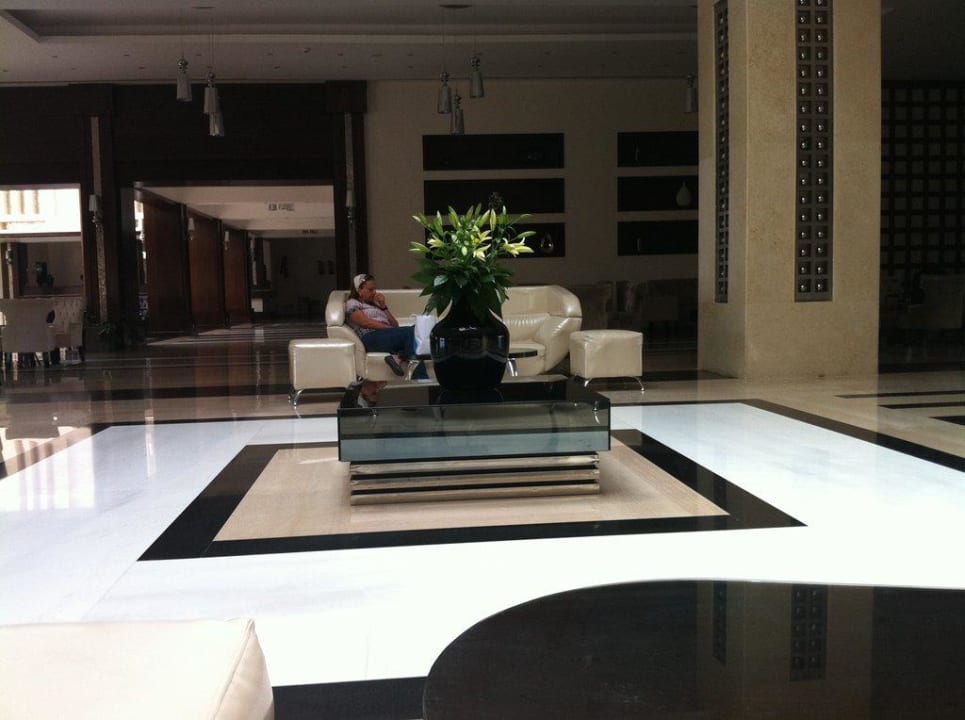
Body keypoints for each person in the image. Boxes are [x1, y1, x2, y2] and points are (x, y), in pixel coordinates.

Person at [345, 273, 427, 379]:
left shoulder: (374, 304)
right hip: (370, 338)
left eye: (374, 289)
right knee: (410, 332)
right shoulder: (352, 303)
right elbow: (365, 322)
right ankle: (420, 376)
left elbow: (395, 324)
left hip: (384, 335)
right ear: (359, 290)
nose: (374, 292)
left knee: (419, 329)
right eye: (370, 289)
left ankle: (398, 357)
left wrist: (383, 307)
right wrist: (391, 329)